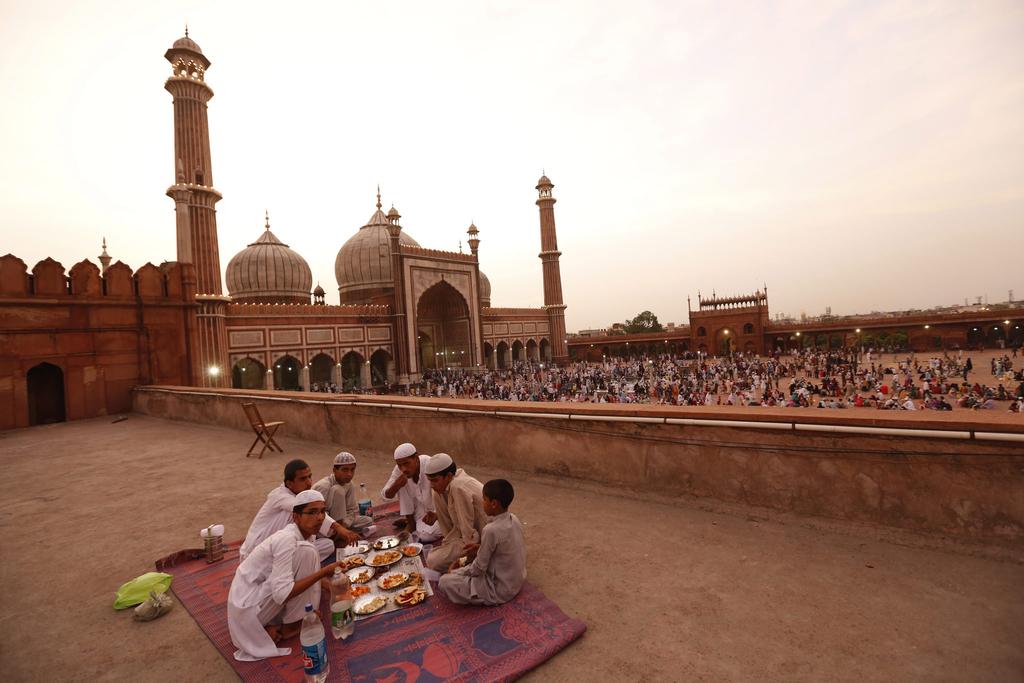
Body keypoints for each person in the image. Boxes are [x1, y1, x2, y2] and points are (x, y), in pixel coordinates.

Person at [227, 489, 342, 661]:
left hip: (257, 600)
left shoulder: (305, 535)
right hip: (248, 610)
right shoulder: (286, 539)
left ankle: (283, 622)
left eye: (322, 512)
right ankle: (290, 625)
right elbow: (282, 593)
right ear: (296, 517)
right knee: (308, 553)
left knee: (309, 552)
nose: (319, 517)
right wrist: (323, 573)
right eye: (312, 512)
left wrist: (333, 587)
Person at [240, 459, 359, 562]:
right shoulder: (278, 496)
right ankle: (289, 563)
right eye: (303, 479)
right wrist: (339, 528)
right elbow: (307, 509)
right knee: (299, 512)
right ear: (289, 483)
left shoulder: (303, 495)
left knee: (328, 545)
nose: (309, 482)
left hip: (286, 547)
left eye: (309, 476)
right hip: (256, 553)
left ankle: (294, 561)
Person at [438, 479, 526, 606]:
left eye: (484, 499)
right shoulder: (514, 519)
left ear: (494, 504)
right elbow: (505, 547)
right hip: (515, 581)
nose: (482, 503)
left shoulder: (490, 530)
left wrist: (454, 571)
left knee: (444, 581)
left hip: (499, 590)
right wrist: (480, 547)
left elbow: (478, 569)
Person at [423, 453, 488, 572]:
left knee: (433, 560)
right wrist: (437, 515)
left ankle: (475, 557)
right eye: (429, 481)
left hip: (482, 538)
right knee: (436, 494)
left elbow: (469, 531)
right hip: (464, 534)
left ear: (448, 475)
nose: (432, 485)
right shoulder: (450, 482)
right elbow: (457, 514)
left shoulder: (458, 487)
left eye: (435, 480)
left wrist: (467, 557)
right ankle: (451, 545)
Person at [380, 443, 442, 542]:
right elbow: (385, 495)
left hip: (438, 511)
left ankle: (412, 524)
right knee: (399, 484)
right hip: (420, 513)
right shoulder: (399, 470)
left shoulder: (429, 464)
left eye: (406, 463)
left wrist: (438, 514)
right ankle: (410, 523)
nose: (403, 469)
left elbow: (445, 492)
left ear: (416, 458)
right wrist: (397, 485)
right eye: (399, 465)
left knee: (426, 536)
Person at [313, 451, 372, 536]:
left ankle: (340, 534)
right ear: (334, 470)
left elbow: (350, 510)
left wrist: (344, 525)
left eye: (352, 470)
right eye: (345, 470)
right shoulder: (323, 486)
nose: (349, 474)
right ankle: (337, 535)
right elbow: (316, 514)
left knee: (367, 521)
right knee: (338, 490)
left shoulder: (349, 484)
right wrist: (336, 527)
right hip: (323, 525)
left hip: (341, 523)